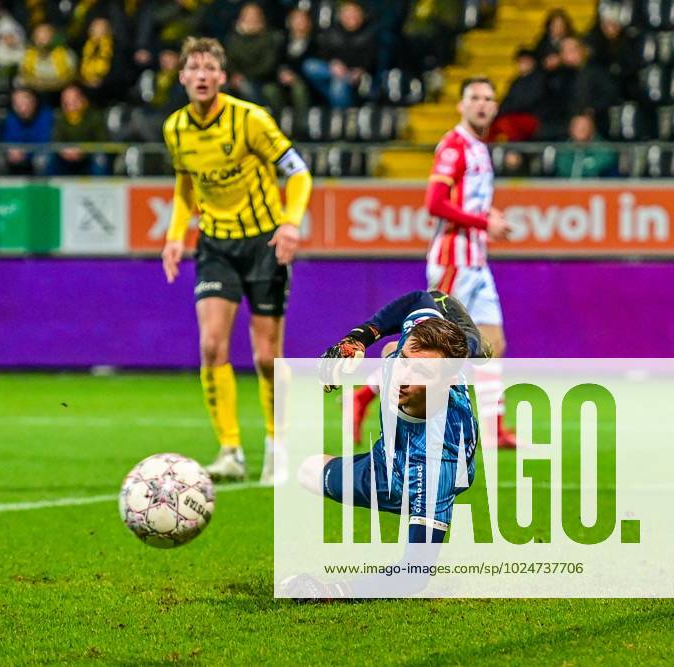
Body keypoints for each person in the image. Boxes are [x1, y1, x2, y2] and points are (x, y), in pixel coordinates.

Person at [161, 37, 312, 484]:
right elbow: (186, 184)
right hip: (216, 245)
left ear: (222, 77)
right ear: (183, 77)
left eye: (210, 67)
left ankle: (277, 444)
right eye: (194, 68)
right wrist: (175, 235)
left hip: (265, 244)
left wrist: (291, 224)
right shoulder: (175, 129)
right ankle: (230, 450)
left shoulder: (251, 120)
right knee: (211, 346)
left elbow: (299, 173)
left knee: (267, 356)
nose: (202, 75)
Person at [349, 78, 516, 448]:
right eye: (474, 97)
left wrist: (485, 214)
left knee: (494, 343)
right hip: (453, 259)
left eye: (489, 98)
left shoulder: (480, 148)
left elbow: (464, 202)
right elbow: (435, 203)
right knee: (425, 344)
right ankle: (364, 395)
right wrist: (484, 221)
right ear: (461, 105)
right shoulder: (454, 146)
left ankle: (495, 428)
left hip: (476, 261)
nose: (482, 104)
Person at [284, 304, 481, 599]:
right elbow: (422, 298)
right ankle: (476, 347)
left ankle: (477, 348)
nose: (403, 374)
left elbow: (413, 576)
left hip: (401, 480)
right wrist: (359, 338)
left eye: (422, 371)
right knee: (307, 471)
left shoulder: (438, 469)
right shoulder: (411, 354)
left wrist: (329, 590)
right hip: (385, 453)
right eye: (405, 361)